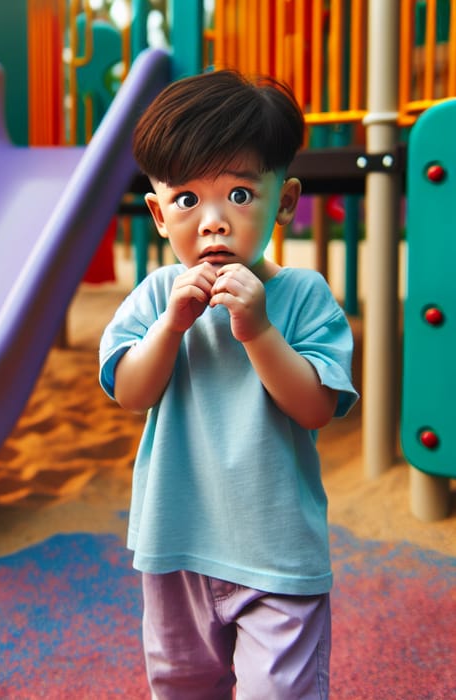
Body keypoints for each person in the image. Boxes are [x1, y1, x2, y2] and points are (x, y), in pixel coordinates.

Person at [99, 69, 358, 699]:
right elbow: (129, 391)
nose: (213, 222)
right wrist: (169, 328)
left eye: (240, 195)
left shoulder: (301, 297)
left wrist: (260, 330)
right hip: (176, 547)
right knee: (183, 687)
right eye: (188, 200)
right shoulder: (158, 295)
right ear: (159, 213)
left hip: (276, 557)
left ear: (286, 201)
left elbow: (316, 407)